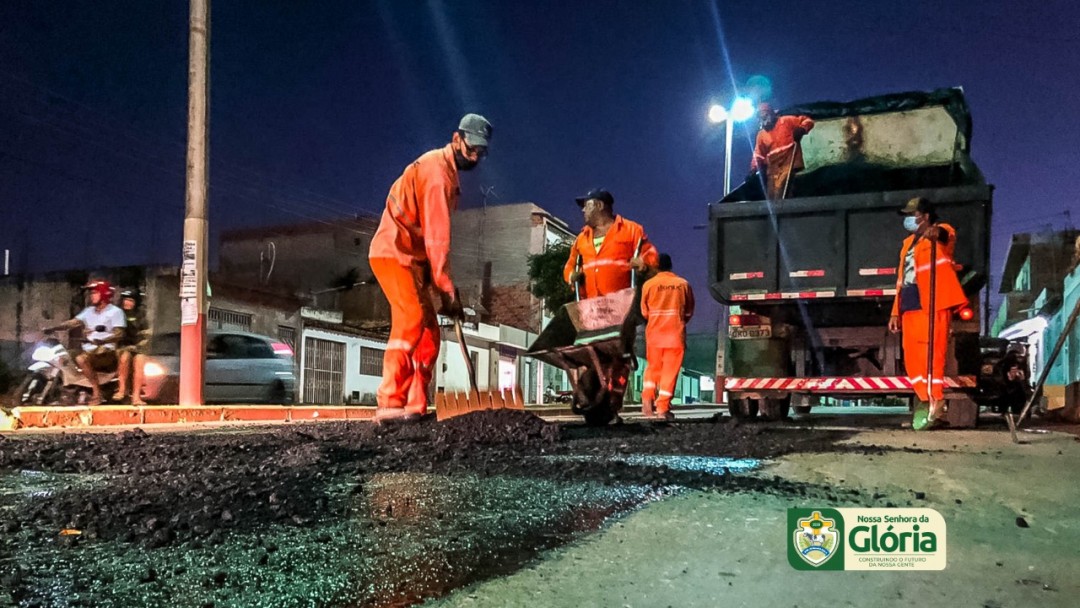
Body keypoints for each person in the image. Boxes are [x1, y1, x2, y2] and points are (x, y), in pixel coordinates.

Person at [368, 113, 492, 421]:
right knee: (410, 319)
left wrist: (442, 285)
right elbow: (437, 238)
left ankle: (414, 405)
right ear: (456, 139)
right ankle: (389, 402)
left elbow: (433, 242)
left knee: (429, 335)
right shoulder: (437, 173)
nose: (475, 155)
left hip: (413, 260)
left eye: (481, 151)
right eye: (471, 148)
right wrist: (447, 289)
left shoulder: (448, 174)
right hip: (393, 253)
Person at [563, 188, 659, 416]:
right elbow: (569, 266)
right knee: (595, 356)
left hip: (620, 308)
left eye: (586, 205)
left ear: (599, 205)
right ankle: (592, 397)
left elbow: (651, 255)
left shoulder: (630, 230)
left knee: (618, 358)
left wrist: (643, 263)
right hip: (591, 308)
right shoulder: (582, 238)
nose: (583, 211)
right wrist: (570, 277)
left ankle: (611, 407)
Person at [888, 197, 967, 426]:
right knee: (913, 358)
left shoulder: (941, 233)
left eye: (912, 214)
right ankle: (926, 402)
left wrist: (935, 231)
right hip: (910, 305)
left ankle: (937, 403)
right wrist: (895, 312)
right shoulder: (907, 244)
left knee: (933, 356)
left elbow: (946, 235)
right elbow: (901, 281)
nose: (908, 218)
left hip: (933, 304)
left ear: (926, 216)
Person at [43, 280, 126, 404]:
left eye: (95, 293)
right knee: (63, 356)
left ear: (104, 294)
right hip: (89, 350)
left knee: (81, 359)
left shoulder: (115, 312)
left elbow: (119, 334)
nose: (92, 296)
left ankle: (97, 393)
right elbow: (72, 323)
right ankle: (69, 387)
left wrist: (103, 340)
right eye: (91, 293)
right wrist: (54, 328)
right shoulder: (88, 311)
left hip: (106, 352)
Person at [640, 253, 694, 421]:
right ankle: (662, 408)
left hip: (654, 334)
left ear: (656, 266)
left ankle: (647, 398)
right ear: (671, 266)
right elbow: (689, 311)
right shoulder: (682, 284)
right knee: (669, 372)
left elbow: (644, 311)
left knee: (653, 367)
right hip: (674, 334)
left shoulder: (648, 285)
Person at [750, 102, 815, 200]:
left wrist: (802, 129)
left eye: (765, 115)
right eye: (760, 117)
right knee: (771, 196)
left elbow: (808, 121)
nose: (763, 119)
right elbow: (758, 155)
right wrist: (753, 170)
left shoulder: (786, 121)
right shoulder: (761, 135)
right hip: (773, 170)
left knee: (783, 190)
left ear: (771, 114)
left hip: (790, 165)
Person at [114, 289, 151, 405]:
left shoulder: (141, 315)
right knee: (125, 357)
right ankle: (122, 390)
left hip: (137, 347)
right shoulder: (117, 314)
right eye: (126, 300)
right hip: (121, 347)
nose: (128, 303)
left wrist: (140, 344)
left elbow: (147, 333)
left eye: (130, 301)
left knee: (140, 361)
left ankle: (136, 397)